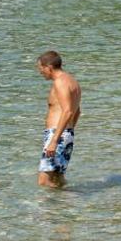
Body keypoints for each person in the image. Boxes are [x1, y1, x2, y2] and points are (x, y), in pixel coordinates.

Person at [36, 50, 81, 188]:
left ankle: (53, 208)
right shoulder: (72, 81)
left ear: (48, 67)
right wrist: (69, 132)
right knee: (57, 178)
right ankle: (65, 206)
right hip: (65, 134)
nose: (40, 72)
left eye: (41, 68)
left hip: (57, 135)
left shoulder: (60, 82)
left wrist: (55, 140)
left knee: (44, 181)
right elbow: (77, 111)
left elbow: (68, 111)